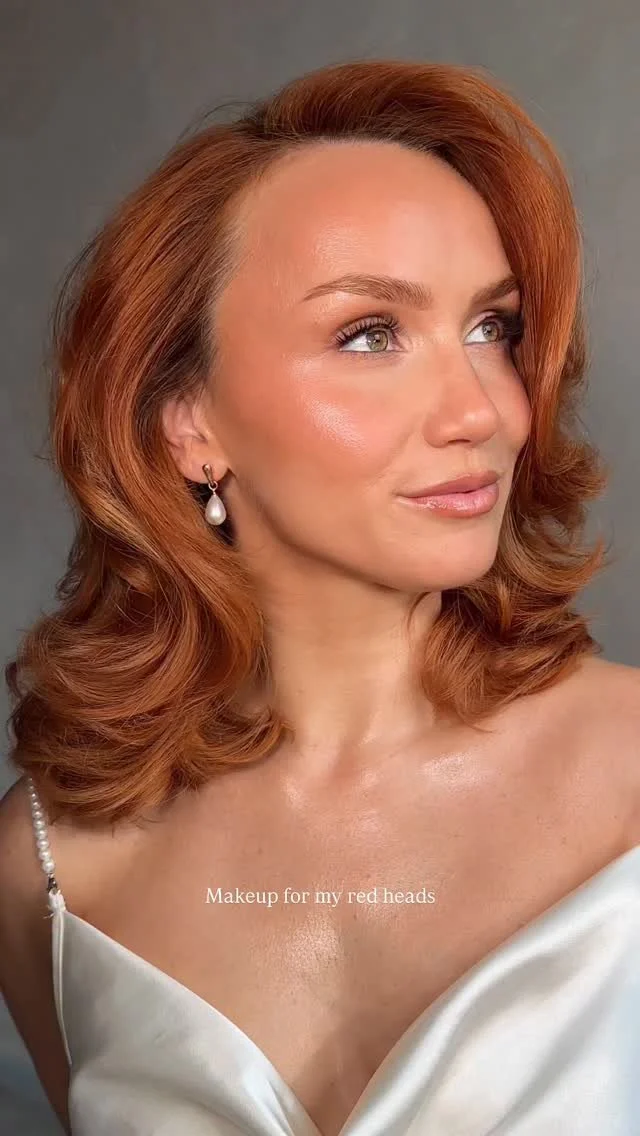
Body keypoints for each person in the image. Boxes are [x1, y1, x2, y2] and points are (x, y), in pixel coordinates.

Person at [1, 56, 639, 1136]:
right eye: (370, 333)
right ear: (186, 422)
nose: (481, 411)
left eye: (492, 327)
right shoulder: (47, 871)